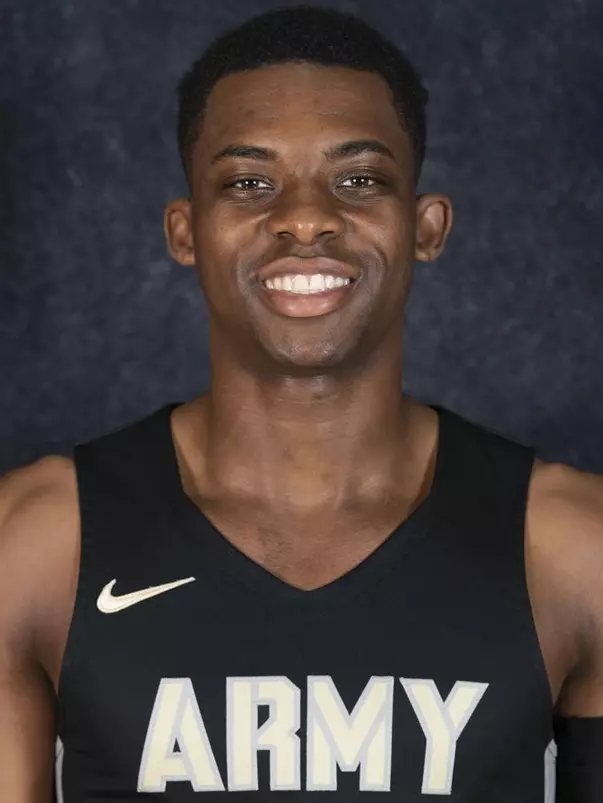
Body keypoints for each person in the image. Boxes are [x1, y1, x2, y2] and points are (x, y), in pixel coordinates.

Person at [1, 5, 602, 801]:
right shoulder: (37, 543)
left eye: (358, 180)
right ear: (187, 232)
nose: (306, 219)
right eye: (248, 183)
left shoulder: (571, 548)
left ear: (425, 225)